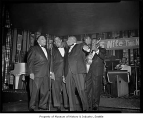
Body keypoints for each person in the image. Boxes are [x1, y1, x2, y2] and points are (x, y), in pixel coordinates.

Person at [27, 35, 54, 111]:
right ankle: (32, 106)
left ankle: (42, 105)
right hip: (36, 74)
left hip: (46, 74)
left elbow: (49, 62)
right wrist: (31, 72)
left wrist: (51, 72)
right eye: (42, 39)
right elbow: (30, 61)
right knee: (34, 92)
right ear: (38, 41)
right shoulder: (34, 49)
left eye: (45, 39)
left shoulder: (47, 50)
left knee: (45, 91)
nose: (45, 40)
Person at [64, 36, 88, 111]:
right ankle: (72, 110)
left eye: (68, 40)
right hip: (68, 73)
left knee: (81, 90)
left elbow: (86, 48)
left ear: (72, 40)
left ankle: (86, 109)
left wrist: (86, 48)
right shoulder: (67, 50)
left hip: (78, 72)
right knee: (70, 92)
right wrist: (64, 75)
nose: (66, 41)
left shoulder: (79, 45)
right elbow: (65, 63)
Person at [84, 38, 106, 111]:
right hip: (89, 72)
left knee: (96, 89)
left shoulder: (102, 50)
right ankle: (87, 104)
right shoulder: (89, 51)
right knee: (87, 88)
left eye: (94, 42)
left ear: (97, 43)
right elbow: (86, 61)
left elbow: (103, 57)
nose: (93, 43)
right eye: (92, 42)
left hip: (97, 72)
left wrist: (96, 50)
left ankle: (95, 104)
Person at [51, 37, 69, 111]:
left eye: (58, 40)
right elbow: (51, 62)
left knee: (66, 89)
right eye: (55, 41)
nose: (57, 41)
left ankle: (66, 104)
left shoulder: (67, 50)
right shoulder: (52, 50)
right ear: (54, 43)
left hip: (66, 72)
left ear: (61, 40)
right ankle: (57, 105)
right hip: (56, 72)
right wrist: (51, 72)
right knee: (56, 89)